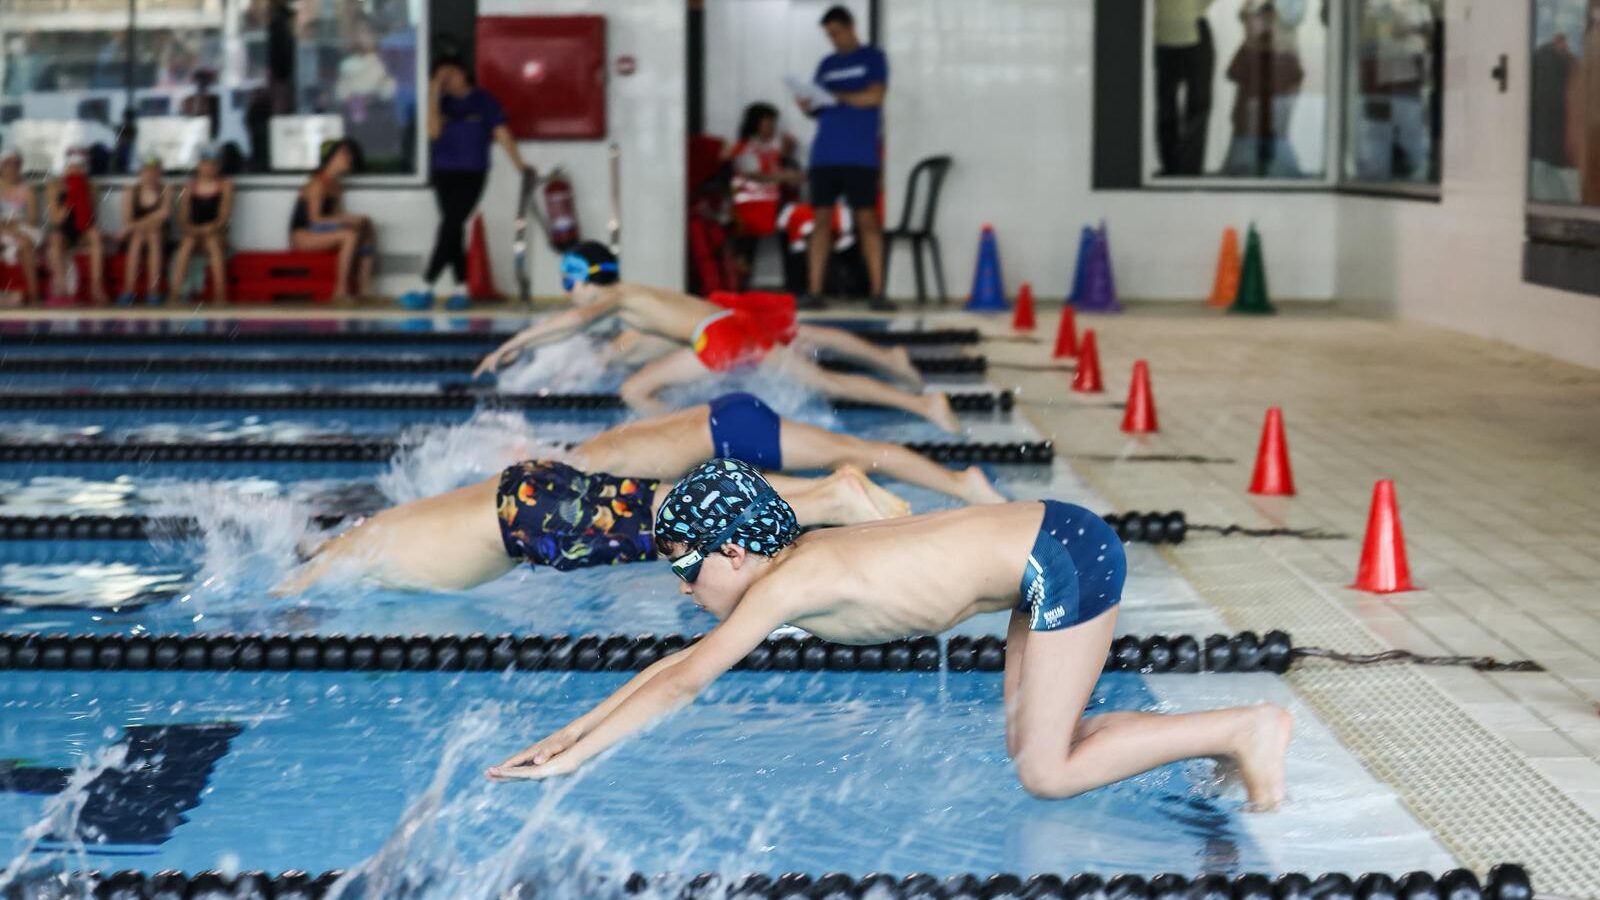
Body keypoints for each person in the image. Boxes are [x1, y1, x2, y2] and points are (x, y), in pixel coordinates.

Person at [487, 460, 1294, 808]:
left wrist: (571, 761)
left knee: (1047, 773)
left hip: (1062, 556)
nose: (683, 588)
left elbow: (687, 679)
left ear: (734, 551)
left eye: (686, 569)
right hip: (1047, 547)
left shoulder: (792, 581)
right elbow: (678, 663)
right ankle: (1219, 740)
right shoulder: (790, 558)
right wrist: (562, 739)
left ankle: (1246, 728)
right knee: (1038, 746)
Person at [272, 449, 910, 596]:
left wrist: (282, 604)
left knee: (678, 527)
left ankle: (829, 502)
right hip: (524, 494)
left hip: (523, 521)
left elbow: (286, 599)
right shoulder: (371, 533)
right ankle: (828, 491)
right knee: (676, 504)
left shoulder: (337, 561)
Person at [473, 242, 958, 431]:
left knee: (635, 391)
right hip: (730, 328)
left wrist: (508, 345)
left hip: (720, 336)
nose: (568, 297)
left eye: (566, 285)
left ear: (582, 279)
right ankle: (924, 406)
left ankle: (693, 445)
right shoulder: (637, 299)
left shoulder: (616, 297)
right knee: (826, 382)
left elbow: (570, 324)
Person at [403, 56, 531, 311]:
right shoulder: (441, 103)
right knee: (453, 229)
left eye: (451, 73)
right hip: (444, 173)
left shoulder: (483, 100)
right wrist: (433, 94)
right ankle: (461, 289)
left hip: (473, 173)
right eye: (442, 76)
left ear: (464, 73)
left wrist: (520, 165)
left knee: (450, 225)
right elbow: (433, 133)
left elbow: (502, 133)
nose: (448, 80)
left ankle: (426, 286)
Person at [797, 6, 890, 311]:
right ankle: (814, 291)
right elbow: (817, 107)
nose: (833, 39)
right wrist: (807, 103)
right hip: (824, 155)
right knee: (821, 222)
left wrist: (838, 97)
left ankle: (877, 292)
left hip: (860, 156)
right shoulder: (826, 64)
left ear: (851, 28)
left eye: (836, 32)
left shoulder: (872, 58)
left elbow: (874, 97)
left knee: (867, 222)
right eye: (829, 35)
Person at [1221, 1, 1305, 178]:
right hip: (1251, 127)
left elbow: (1295, 80)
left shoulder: (1279, 55)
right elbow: (1233, 73)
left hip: (1262, 127)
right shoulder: (1252, 52)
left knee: (1274, 163)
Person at [289, 138, 375, 304]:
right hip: (303, 236)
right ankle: (340, 291)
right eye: (345, 154)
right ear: (332, 158)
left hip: (319, 232)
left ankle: (365, 288)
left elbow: (334, 217)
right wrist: (346, 220)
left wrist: (352, 220)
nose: (349, 158)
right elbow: (314, 220)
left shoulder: (336, 187)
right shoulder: (317, 184)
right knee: (349, 235)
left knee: (366, 226)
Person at [728, 102, 801, 288]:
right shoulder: (743, 147)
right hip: (748, 202)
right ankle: (739, 284)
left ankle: (795, 284)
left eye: (773, 123)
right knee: (745, 240)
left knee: (795, 222)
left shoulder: (773, 147)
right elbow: (752, 173)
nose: (771, 127)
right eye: (767, 123)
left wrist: (789, 154)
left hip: (773, 201)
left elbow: (781, 165)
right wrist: (782, 177)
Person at [1154, 0, 1216, 176]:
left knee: (1166, 104)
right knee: (1198, 104)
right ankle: (1188, 168)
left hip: (1164, 30)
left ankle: (1172, 166)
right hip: (1192, 26)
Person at [169, 146, 235, 305]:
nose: (209, 168)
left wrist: (207, 229)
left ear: (218, 166)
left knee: (212, 242)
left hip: (216, 234)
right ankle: (175, 295)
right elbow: (183, 218)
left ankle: (220, 295)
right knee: (187, 243)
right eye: (206, 164)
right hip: (195, 234)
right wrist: (195, 230)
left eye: (213, 164)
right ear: (199, 165)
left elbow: (223, 218)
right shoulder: (189, 187)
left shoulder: (226, 186)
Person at [44, 147, 108, 306]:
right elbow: (55, 219)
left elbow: (92, 218)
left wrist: (81, 194)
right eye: (73, 166)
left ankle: (96, 285)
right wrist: (71, 197)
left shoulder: (90, 187)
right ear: (66, 167)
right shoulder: (55, 186)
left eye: (80, 167)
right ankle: (61, 286)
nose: (76, 170)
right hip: (63, 231)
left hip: (82, 229)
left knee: (95, 235)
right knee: (55, 239)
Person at [115, 155, 171, 306]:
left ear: (159, 172)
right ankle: (129, 290)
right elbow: (127, 219)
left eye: (154, 171)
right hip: (136, 236)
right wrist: (138, 225)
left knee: (153, 234)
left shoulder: (165, 189)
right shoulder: (131, 190)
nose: (150, 174)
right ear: (140, 172)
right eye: (147, 171)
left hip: (158, 236)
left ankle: (153, 291)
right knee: (140, 235)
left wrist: (129, 228)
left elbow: (164, 215)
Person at [0, 148, 41, 306]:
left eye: (16, 164)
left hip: (22, 229)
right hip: (3, 230)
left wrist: (15, 226)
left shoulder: (27, 190)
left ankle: (34, 295)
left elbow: (32, 219)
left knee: (24, 243)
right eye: (8, 164)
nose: (12, 168)